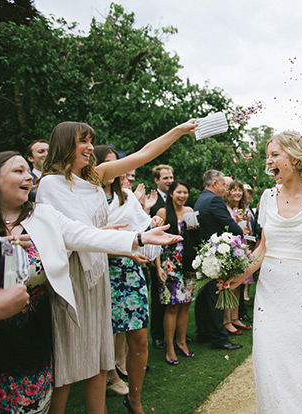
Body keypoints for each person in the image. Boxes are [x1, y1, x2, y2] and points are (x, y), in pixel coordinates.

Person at [0, 151, 181, 414]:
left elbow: (84, 235)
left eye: (28, 171)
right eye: (18, 171)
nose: (28, 176)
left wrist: (138, 239)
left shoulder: (42, 216)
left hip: (33, 337)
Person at [36, 119, 195, 414]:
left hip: (100, 275)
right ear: (64, 144)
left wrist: (178, 131)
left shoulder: (97, 176)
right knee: (68, 365)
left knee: (100, 360)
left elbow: (144, 154)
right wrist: (128, 238)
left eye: (90, 141)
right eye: (82, 141)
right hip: (71, 277)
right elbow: (73, 235)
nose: (88, 147)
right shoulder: (50, 184)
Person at [227, 130, 302, 413]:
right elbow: (262, 248)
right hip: (270, 295)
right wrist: (237, 276)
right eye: (267, 156)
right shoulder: (267, 197)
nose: (268, 162)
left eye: (274, 155)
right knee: (269, 364)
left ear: (295, 158)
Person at [94, 146, 154, 412]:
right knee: (100, 342)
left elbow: (143, 228)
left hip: (130, 272)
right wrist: (126, 248)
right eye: (107, 164)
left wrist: (151, 239)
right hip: (97, 273)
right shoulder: (84, 196)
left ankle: (135, 400)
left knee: (139, 339)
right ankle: (103, 390)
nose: (115, 169)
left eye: (116, 164)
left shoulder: (127, 197)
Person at [194, 170, 244, 350]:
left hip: (204, 252)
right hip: (215, 253)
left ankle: (204, 332)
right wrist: (240, 232)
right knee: (217, 296)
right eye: (223, 184)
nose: (225, 188)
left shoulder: (201, 198)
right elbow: (228, 224)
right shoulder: (214, 200)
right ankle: (220, 338)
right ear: (214, 183)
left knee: (204, 297)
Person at [155, 180, 197, 366]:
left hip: (187, 263)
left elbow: (196, 237)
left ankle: (181, 341)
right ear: (171, 193)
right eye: (179, 192)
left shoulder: (189, 211)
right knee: (172, 306)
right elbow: (154, 241)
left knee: (185, 304)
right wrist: (157, 266)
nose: (182, 196)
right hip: (169, 264)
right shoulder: (163, 213)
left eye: (185, 192)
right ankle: (169, 347)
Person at [149, 164, 174, 350]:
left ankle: (171, 334)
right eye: (165, 178)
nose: (169, 181)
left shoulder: (175, 199)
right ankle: (157, 335)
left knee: (173, 298)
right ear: (156, 180)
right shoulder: (153, 201)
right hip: (157, 255)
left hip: (175, 256)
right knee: (159, 298)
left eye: (171, 177)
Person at [221, 180, 252, 334]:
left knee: (239, 284)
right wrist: (237, 221)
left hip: (242, 246)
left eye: (239, 190)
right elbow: (227, 227)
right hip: (231, 248)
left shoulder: (241, 208)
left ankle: (235, 317)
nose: (237, 193)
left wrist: (245, 222)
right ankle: (227, 321)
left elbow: (248, 231)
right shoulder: (225, 208)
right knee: (230, 284)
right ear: (228, 192)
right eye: (234, 190)